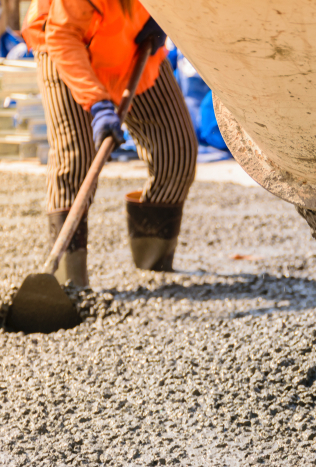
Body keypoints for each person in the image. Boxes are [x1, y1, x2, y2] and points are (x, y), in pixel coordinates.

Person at [22, 0, 197, 287]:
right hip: (65, 42)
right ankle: (70, 282)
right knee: (76, 157)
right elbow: (63, 37)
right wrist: (99, 105)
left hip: (131, 40)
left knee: (176, 149)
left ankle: (153, 269)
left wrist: (162, 18)